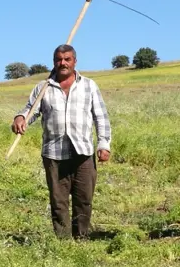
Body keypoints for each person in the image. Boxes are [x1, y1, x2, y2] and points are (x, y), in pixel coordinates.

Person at [11, 44, 112, 239]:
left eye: (67, 59)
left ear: (75, 61)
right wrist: (20, 118)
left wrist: (103, 144)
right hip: (54, 153)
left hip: (83, 152)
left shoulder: (89, 85)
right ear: (54, 62)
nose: (63, 63)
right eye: (59, 59)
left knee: (84, 199)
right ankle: (63, 242)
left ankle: (81, 238)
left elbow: (101, 117)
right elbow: (30, 110)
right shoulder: (43, 88)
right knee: (58, 202)